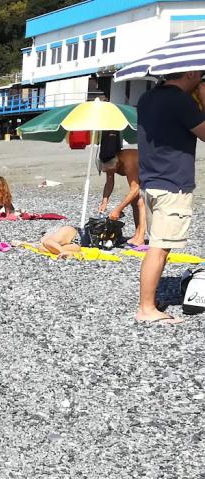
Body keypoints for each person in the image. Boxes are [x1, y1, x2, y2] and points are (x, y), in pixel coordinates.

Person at [136, 71, 205, 324]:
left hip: (151, 182)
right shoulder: (181, 101)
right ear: (190, 73)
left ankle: (149, 302)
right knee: (159, 249)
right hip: (172, 185)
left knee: (157, 245)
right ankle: (146, 308)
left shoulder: (146, 98)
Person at [97, 148, 146, 246]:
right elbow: (109, 182)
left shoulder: (128, 162)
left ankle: (141, 239)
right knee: (134, 202)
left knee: (141, 202)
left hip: (153, 172)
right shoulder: (109, 160)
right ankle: (137, 234)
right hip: (140, 174)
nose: (110, 173)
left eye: (111, 171)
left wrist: (118, 210)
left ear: (117, 164)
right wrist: (104, 201)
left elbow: (135, 189)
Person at [14, 225, 82, 258]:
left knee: (46, 243)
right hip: (76, 243)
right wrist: (21, 243)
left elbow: (45, 243)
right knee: (43, 248)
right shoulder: (45, 241)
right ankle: (70, 254)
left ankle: (66, 252)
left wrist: (22, 243)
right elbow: (38, 245)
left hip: (71, 232)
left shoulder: (46, 237)